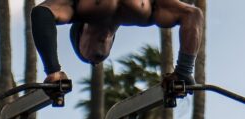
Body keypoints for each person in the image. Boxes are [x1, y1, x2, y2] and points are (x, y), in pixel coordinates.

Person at [31, 0, 203, 84]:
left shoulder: (79, 8)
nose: (102, 41)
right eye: (101, 53)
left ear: (81, 31)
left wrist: (52, 70)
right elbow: (192, 15)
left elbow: (41, 13)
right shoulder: (146, 12)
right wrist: (183, 71)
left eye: (95, 53)